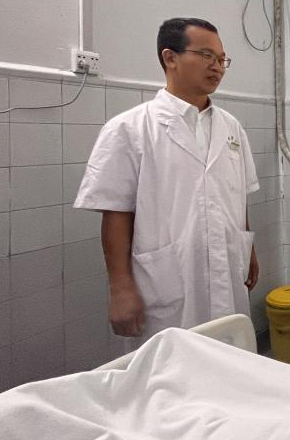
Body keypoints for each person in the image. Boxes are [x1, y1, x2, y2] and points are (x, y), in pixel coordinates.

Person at [75, 18, 259, 344]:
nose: (217, 67)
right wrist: (120, 288)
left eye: (222, 59)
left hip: (228, 268)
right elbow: (116, 213)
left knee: (230, 359)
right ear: (170, 57)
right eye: (206, 55)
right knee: (173, 365)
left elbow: (237, 195)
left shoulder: (232, 128)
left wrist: (249, 250)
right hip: (166, 282)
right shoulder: (129, 129)